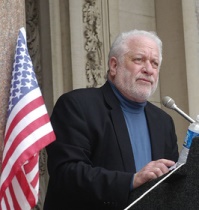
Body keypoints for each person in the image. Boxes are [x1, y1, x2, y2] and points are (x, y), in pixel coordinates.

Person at [44, 29, 178, 210]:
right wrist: (132, 180)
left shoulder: (163, 121)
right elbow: (66, 173)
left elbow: (173, 186)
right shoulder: (77, 105)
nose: (148, 69)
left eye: (154, 63)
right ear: (114, 66)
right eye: (139, 59)